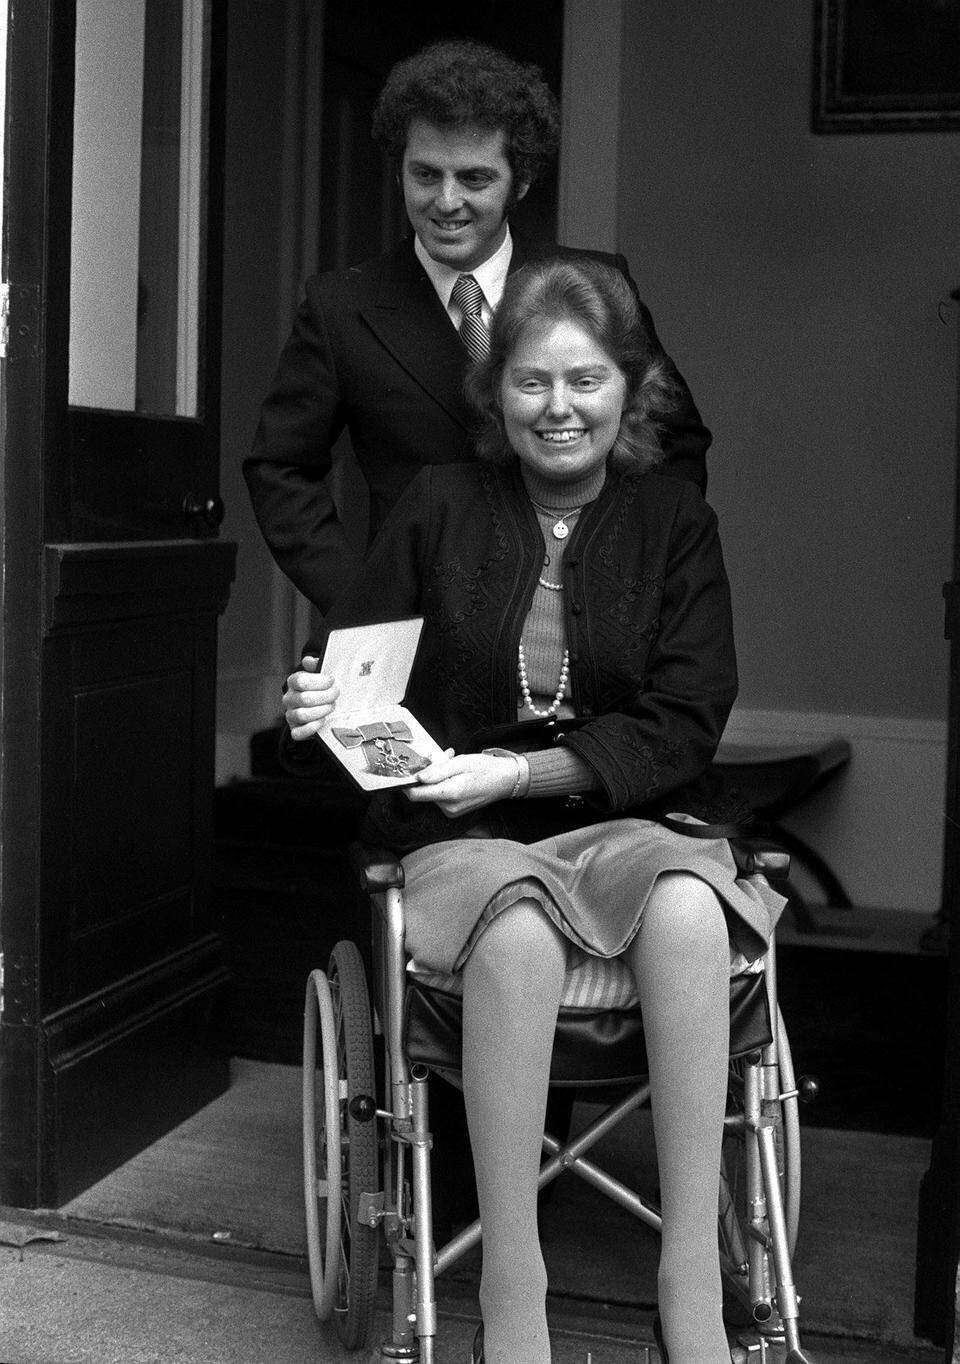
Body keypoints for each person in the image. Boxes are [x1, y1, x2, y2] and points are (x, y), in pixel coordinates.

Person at [281, 258, 783, 1364]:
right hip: (462, 833)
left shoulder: (674, 523)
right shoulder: (439, 505)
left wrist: (525, 774)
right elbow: (359, 692)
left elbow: (684, 721)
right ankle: (515, 1299)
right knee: (512, 934)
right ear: (495, 395)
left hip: (621, 816)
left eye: (586, 380)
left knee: (694, 910)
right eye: (531, 382)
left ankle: (689, 1283)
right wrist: (318, 704)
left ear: (631, 389)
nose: (559, 407)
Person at [244, 38, 711, 616]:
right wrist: (362, 598)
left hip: (582, 612)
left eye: (474, 178)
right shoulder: (342, 307)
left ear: (520, 180)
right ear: (400, 172)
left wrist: (636, 571)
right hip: (419, 621)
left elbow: (678, 441)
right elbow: (280, 468)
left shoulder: (593, 284)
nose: (446, 201)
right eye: (425, 174)